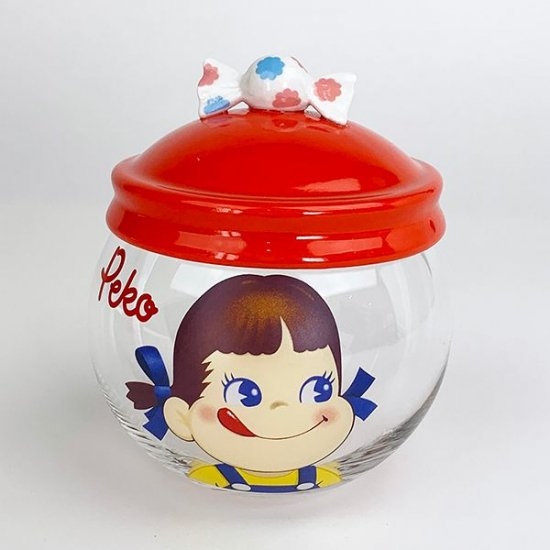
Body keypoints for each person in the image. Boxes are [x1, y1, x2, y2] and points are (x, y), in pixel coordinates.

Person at [126, 274, 377, 493]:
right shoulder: (211, 475)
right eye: (244, 394)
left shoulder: (323, 474)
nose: (281, 409)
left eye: (318, 389)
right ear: (181, 416)